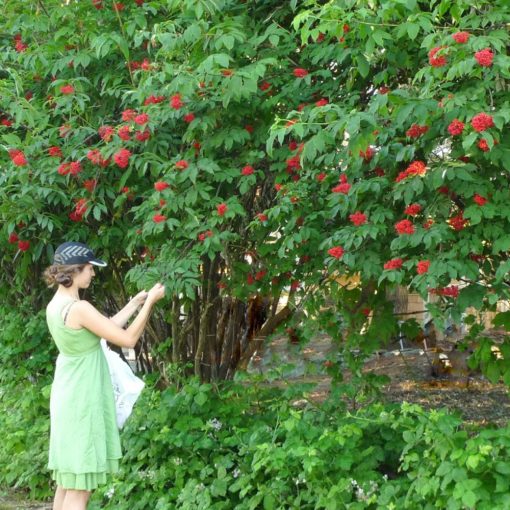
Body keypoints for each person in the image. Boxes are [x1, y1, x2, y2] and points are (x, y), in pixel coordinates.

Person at [42, 241, 165, 510]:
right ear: (76, 270)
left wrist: (134, 303)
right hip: (82, 399)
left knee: (68, 481)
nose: (93, 274)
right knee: (80, 488)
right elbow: (128, 339)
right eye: (90, 268)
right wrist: (150, 304)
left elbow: (106, 328)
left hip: (68, 394)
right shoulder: (79, 308)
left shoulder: (58, 304)